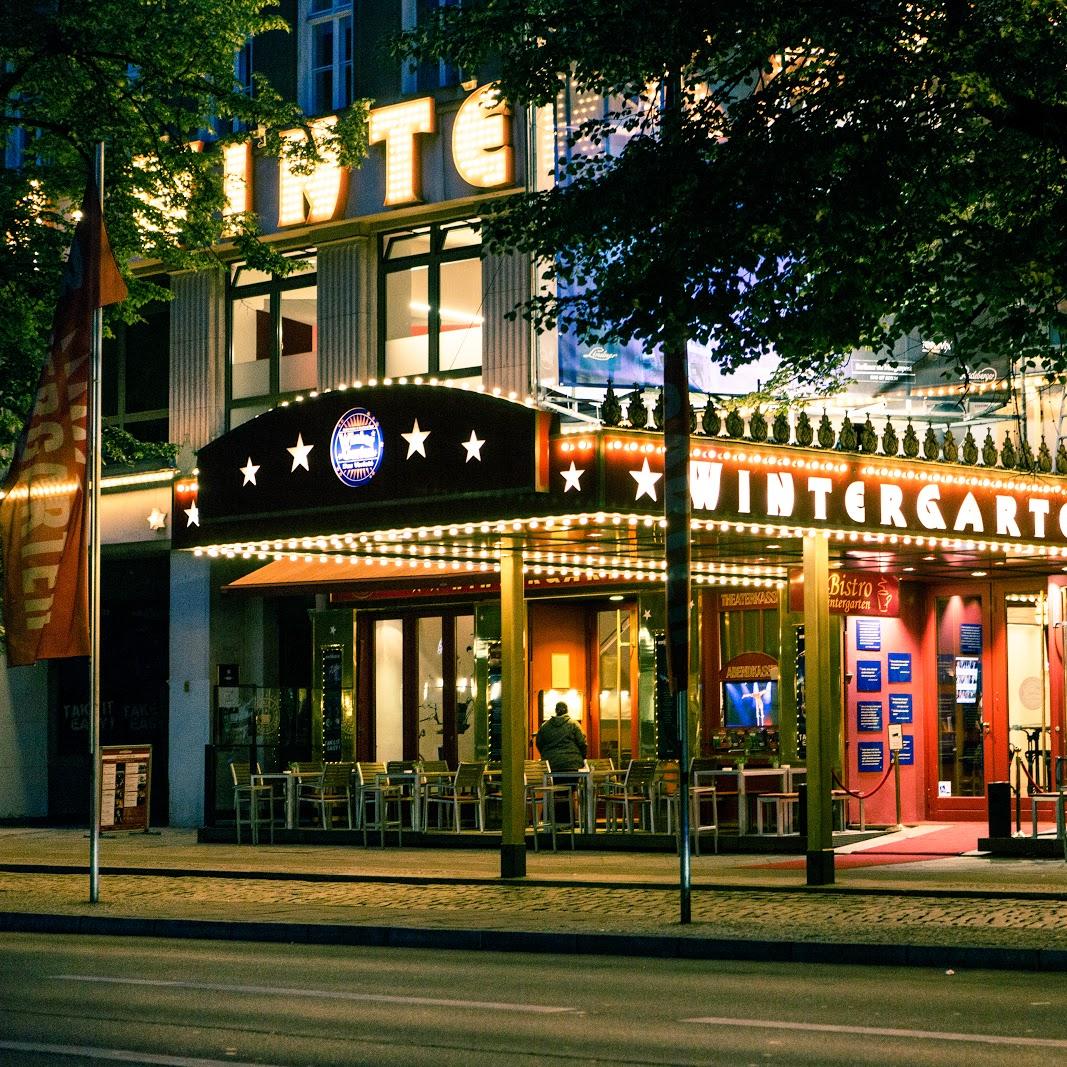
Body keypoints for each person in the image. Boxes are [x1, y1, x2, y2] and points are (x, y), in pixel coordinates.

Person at [535, 701, 587, 772]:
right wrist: (582, 757)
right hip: (573, 763)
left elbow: (539, 743)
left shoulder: (545, 726)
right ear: (567, 710)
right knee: (572, 783)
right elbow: (582, 743)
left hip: (551, 763)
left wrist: (546, 754)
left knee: (555, 782)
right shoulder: (574, 724)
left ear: (555, 710)